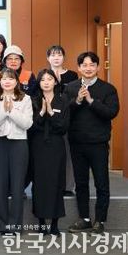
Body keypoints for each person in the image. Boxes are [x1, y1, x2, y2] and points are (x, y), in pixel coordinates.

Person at [65, 52, 119, 234]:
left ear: (98, 67)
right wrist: (77, 101)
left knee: (101, 183)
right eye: (84, 65)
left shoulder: (108, 89)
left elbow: (111, 112)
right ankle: (85, 219)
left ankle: (100, 220)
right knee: (80, 183)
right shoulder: (71, 87)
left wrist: (90, 101)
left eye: (92, 65)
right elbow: (64, 112)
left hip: (98, 143)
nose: (88, 68)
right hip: (77, 143)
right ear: (79, 68)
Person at [28, 69, 69, 236]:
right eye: (43, 79)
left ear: (55, 82)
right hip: (38, 146)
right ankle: (41, 223)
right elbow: (30, 126)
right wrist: (42, 113)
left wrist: (51, 113)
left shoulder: (63, 100)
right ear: (39, 83)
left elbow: (64, 127)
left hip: (56, 146)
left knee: (56, 182)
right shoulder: (33, 100)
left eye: (49, 79)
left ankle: (54, 224)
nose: (46, 82)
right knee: (39, 183)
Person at [0, 68, 33, 235]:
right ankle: (0, 225)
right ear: (0, 81)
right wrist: (5, 111)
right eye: (4, 79)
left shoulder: (25, 98)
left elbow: (27, 124)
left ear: (17, 81)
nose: (7, 81)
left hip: (19, 143)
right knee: (0, 184)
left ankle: (15, 226)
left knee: (17, 186)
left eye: (10, 78)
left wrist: (11, 111)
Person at [46, 45, 79, 196]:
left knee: (67, 154)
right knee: (50, 155)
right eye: (53, 55)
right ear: (48, 58)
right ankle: (51, 184)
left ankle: (67, 186)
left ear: (64, 57)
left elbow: (74, 97)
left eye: (59, 55)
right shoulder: (45, 74)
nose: (56, 58)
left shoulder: (72, 75)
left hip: (67, 119)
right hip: (48, 120)